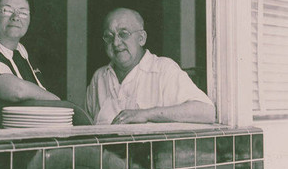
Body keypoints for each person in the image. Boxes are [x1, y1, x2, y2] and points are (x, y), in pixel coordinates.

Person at [85, 8, 215, 125]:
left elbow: (206, 112)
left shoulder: (163, 70)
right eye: (109, 36)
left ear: (141, 38)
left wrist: (145, 114)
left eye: (123, 34)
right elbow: (86, 125)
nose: (116, 43)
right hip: (107, 152)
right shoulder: (99, 77)